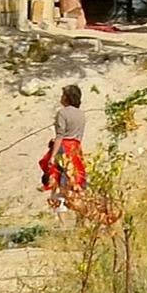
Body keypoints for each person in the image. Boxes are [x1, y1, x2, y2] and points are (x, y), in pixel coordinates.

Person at [41, 80, 91, 209]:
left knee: (58, 181)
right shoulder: (81, 114)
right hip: (76, 148)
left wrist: (52, 156)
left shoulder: (62, 113)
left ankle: (60, 214)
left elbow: (60, 136)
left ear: (67, 98)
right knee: (76, 178)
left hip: (64, 147)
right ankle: (81, 209)